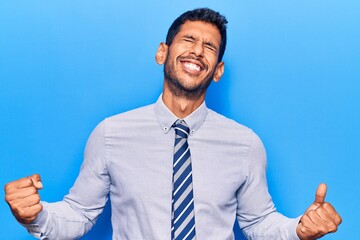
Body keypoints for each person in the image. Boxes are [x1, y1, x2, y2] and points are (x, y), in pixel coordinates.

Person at [4, 8, 341, 240]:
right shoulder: (111, 133)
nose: (198, 51)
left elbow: (258, 222)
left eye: (209, 47)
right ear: (162, 52)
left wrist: (299, 229)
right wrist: (36, 216)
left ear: (218, 70)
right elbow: (80, 213)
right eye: (188, 41)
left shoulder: (245, 144)